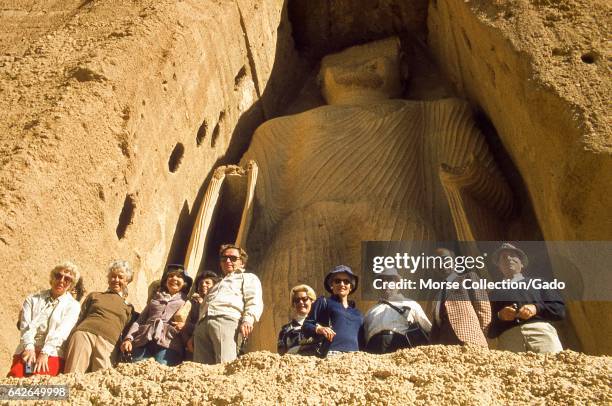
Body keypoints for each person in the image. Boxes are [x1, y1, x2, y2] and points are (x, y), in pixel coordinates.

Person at [193, 244, 263, 364]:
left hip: (226, 319)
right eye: (224, 258)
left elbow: (253, 298)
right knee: (201, 368)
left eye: (233, 258)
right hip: (203, 324)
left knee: (225, 362)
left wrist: (248, 319)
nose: (228, 261)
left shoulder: (247, 277)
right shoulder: (217, 284)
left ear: (242, 263)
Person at [8, 262, 81, 377]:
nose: (61, 280)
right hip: (28, 350)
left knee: (42, 383)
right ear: (52, 277)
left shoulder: (73, 306)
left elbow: (62, 332)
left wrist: (45, 352)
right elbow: (26, 326)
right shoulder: (33, 299)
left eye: (67, 279)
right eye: (58, 276)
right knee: (17, 377)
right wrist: (29, 348)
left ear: (71, 284)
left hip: (52, 353)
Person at [489, 243, 565, 353]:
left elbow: (559, 309)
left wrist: (536, 308)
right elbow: (488, 328)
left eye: (513, 255)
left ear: (521, 263)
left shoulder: (540, 283)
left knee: (553, 367)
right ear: (499, 266)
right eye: (504, 257)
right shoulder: (493, 294)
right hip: (509, 339)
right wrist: (500, 316)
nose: (509, 258)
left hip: (540, 333)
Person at [64, 260, 134, 373]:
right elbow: (80, 317)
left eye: (120, 277)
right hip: (84, 333)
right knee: (73, 373)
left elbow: (127, 330)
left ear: (127, 281)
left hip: (109, 342)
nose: (116, 280)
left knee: (102, 379)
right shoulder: (95, 295)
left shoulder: (129, 307)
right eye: (113, 276)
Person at [120, 264, 192, 366]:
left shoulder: (187, 302)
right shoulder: (155, 298)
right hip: (143, 340)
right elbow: (140, 320)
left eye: (179, 277)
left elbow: (189, 324)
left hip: (169, 344)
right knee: (137, 369)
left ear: (184, 283)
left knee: (161, 372)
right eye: (171, 276)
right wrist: (128, 338)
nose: (174, 278)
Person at [430, 248, 491, 347]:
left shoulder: (468, 278)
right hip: (444, 345)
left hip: (469, 341)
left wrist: (477, 336)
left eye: (445, 259)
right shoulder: (438, 295)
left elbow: (483, 309)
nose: (441, 263)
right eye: (436, 261)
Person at [364, 268, 431, 354]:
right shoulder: (370, 312)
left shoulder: (412, 305)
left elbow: (428, 330)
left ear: (398, 284)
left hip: (401, 349)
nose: (386, 284)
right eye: (382, 281)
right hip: (373, 351)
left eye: (390, 280)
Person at [302, 265, 364, 357]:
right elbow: (306, 326)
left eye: (346, 282)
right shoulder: (324, 302)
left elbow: (362, 340)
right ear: (331, 285)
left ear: (351, 287)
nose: (342, 284)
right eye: (337, 281)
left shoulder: (358, 313)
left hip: (355, 356)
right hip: (331, 354)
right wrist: (319, 329)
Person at [184, 270, 221, 355]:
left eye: (207, 283)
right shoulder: (193, 304)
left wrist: (186, 326)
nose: (203, 285)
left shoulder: (218, 304)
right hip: (192, 344)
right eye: (200, 284)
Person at [277, 284, 317, 355]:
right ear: (293, 304)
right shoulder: (285, 331)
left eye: (305, 299)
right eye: (297, 300)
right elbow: (281, 356)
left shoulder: (323, 324)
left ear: (312, 301)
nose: (301, 302)